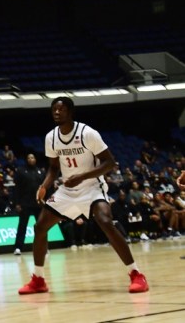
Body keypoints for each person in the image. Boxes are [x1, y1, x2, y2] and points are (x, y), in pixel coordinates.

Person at [19, 97, 149, 295]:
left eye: (60, 109)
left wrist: (82, 176)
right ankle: (38, 280)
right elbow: (54, 168)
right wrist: (44, 186)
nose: (56, 113)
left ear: (70, 112)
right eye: (53, 109)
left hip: (92, 187)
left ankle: (136, 274)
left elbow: (109, 163)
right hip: (67, 190)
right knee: (40, 227)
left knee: (106, 221)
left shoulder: (87, 133)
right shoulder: (51, 137)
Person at [12, 154, 46, 255]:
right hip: (25, 203)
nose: (31, 159)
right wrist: (17, 203)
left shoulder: (41, 171)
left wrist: (45, 201)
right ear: (26, 160)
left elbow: (44, 188)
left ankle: (43, 247)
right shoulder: (21, 171)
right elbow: (17, 188)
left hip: (38, 203)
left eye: (33, 157)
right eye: (29, 158)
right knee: (22, 226)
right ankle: (18, 247)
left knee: (41, 227)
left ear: (35, 159)